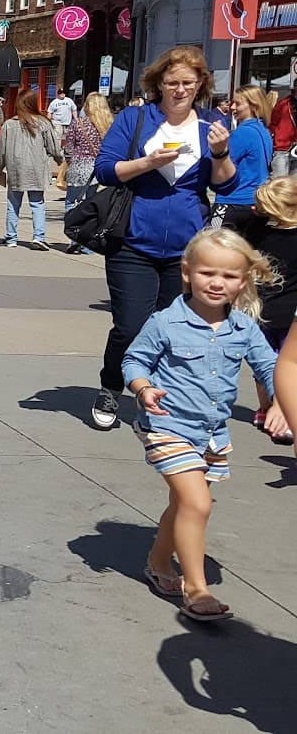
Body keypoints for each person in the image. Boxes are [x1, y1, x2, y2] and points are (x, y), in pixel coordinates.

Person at [124, 228, 276, 622]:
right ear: (188, 272)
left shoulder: (243, 328)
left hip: (211, 433)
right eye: (208, 273)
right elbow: (134, 361)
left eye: (229, 276)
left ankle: (159, 563)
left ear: (243, 281)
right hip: (167, 425)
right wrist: (143, 389)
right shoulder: (165, 322)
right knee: (197, 503)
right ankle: (196, 590)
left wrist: (278, 403)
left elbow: (270, 367)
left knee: (183, 505)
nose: (217, 283)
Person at [90, 46, 237, 430]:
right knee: (131, 325)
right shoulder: (136, 119)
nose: (179, 90)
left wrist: (220, 153)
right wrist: (147, 164)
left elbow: (226, 183)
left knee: (175, 328)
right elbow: (105, 169)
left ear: (201, 84)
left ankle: (155, 398)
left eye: (188, 82)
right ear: (158, 83)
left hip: (187, 246)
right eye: (171, 82)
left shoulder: (211, 124)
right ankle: (111, 385)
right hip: (133, 240)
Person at [239, 177, 297, 446]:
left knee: (280, 366)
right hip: (261, 311)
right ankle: (268, 407)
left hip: (283, 313)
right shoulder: (259, 229)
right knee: (263, 363)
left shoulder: (261, 231)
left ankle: (281, 411)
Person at [0, 90, 62, 250]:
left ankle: (11, 237)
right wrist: (59, 159)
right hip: (37, 168)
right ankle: (39, 236)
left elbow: (1, 150)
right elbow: (53, 147)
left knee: (13, 203)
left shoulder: (9, 125)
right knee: (37, 202)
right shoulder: (43, 123)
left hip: (16, 168)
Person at [208, 85, 273, 232]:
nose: (232, 107)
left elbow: (222, 165)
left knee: (211, 242)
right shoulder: (264, 131)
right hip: (255, 203)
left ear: (253, 105)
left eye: (237, 103)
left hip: (232, 201)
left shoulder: (242, 133)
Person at [63, 93, 111, 223]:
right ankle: (86, 239)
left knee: (72, 202)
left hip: (78, 166)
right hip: (97, 169)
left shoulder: (78, 123)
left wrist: (70, 161)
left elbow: (68, 147)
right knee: (91, 204)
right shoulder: (108, 125)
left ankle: (73, 237)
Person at [271, 88, 295, 177]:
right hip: (282, 148)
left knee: (294, 186)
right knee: (280, 183)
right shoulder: (283, 104)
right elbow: (273, 123)